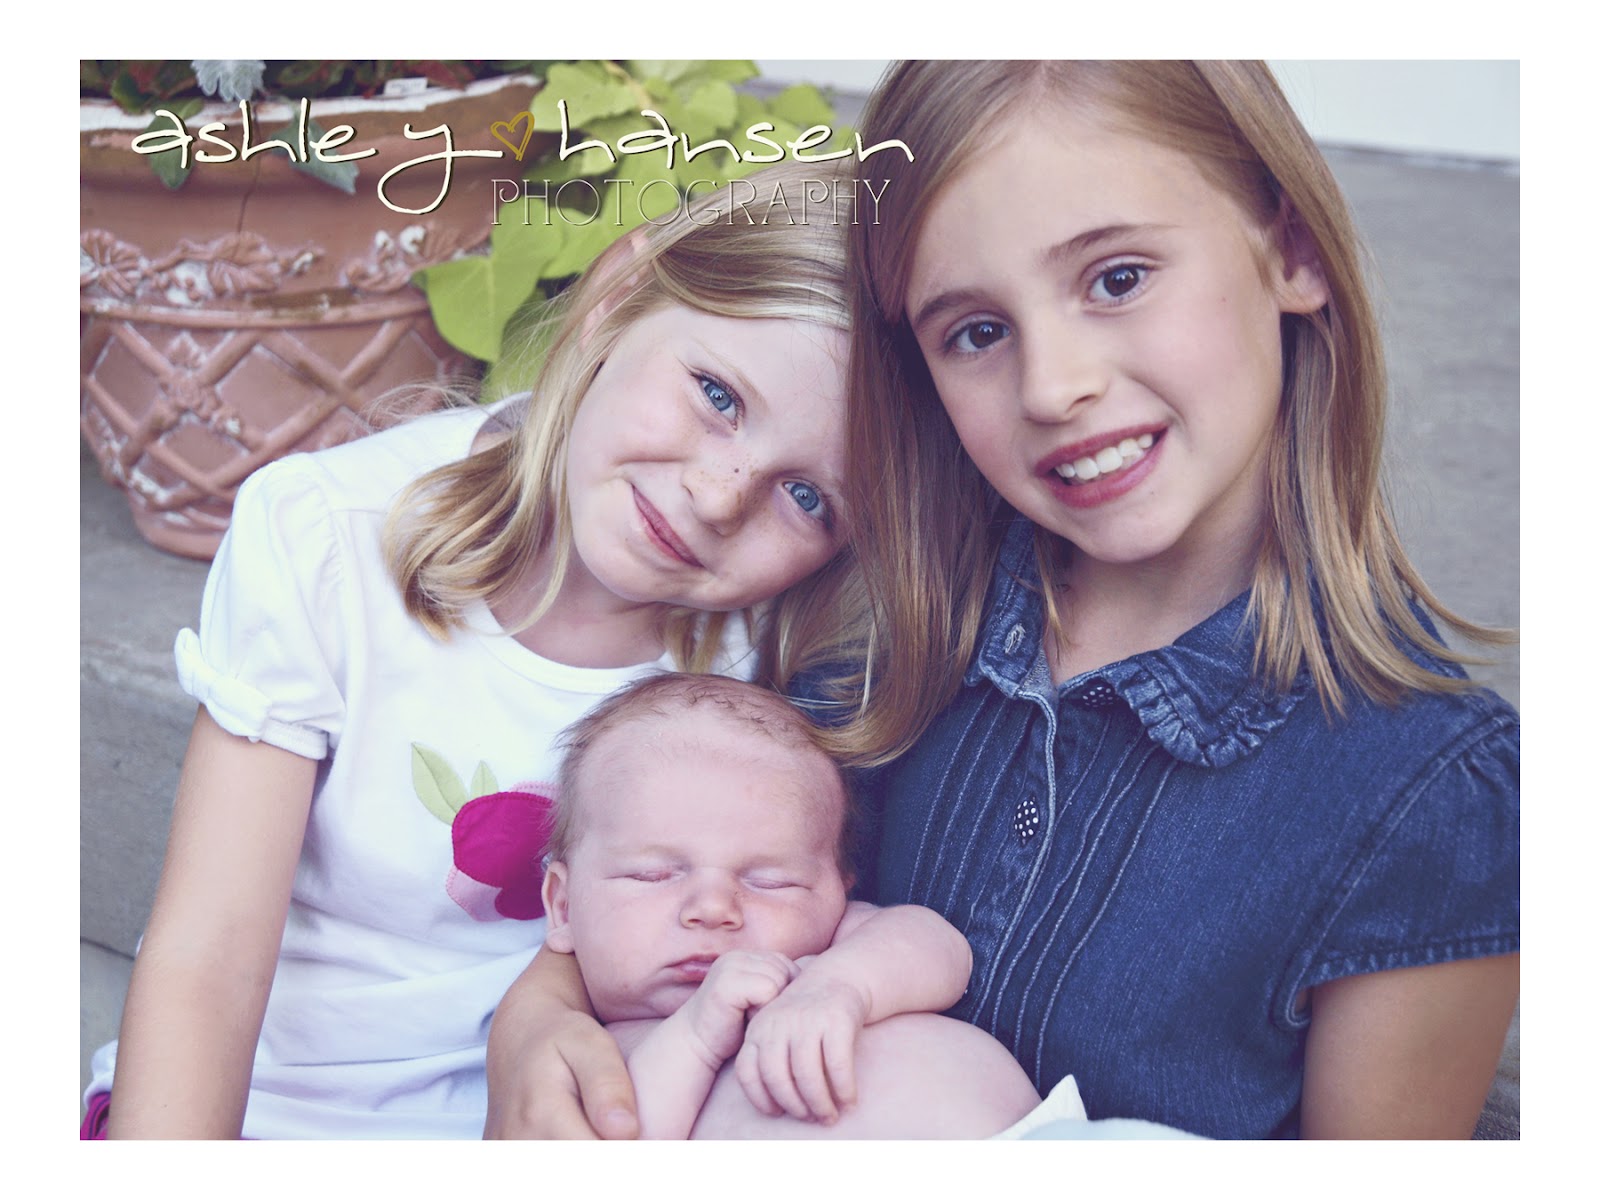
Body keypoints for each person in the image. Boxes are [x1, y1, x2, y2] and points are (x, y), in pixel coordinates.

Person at [485, 61, 1519, 1141]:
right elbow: (673, 886)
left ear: (1292, 249)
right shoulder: (871, 625)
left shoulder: (1429, 793)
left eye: (1117, 278)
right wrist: (539, 1012)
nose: (1052, 386)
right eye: (975, 332)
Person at [82, 160, 876, 1139]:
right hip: (270, 1113)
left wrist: (545, 1008)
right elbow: (208, 952)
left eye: (807, 496)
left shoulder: (764, 652)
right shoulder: (331, 536)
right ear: (619, 293)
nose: (718, 498)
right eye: (716, 393)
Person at [538, 670, 1071, 1139]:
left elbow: (944, 951)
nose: (713, 908)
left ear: (840, 890)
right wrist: (697, 1036)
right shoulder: (590, 1056)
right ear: (562, 908)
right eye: (652, 875)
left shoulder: (828, 949)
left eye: (771, 882)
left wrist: (839, 985)